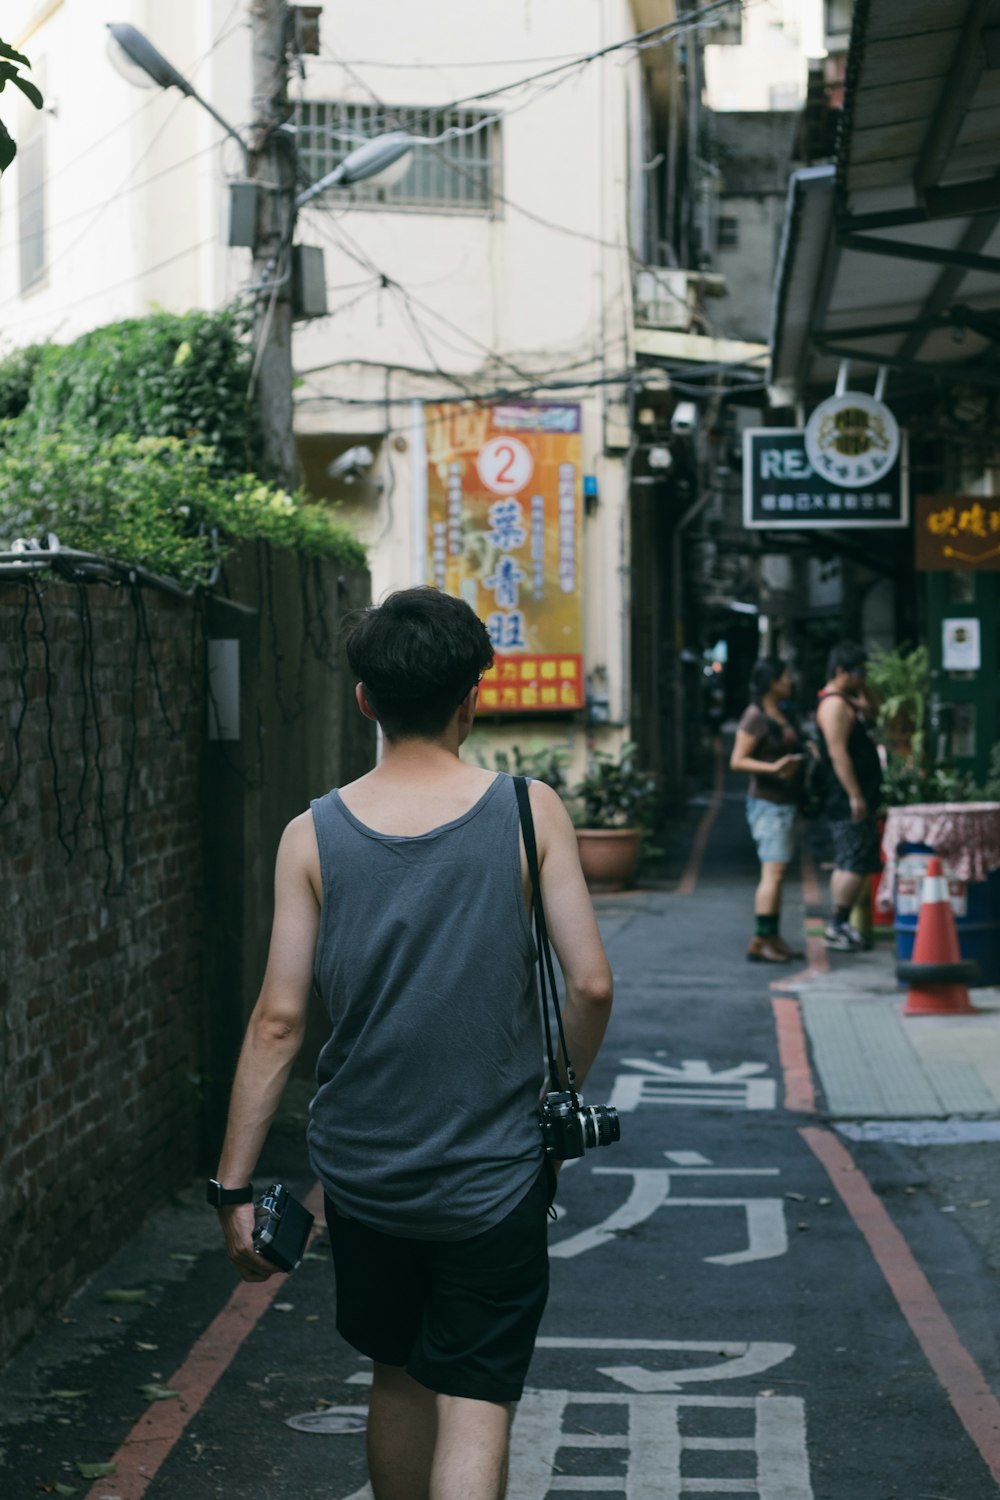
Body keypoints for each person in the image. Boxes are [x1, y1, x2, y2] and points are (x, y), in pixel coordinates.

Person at [209, 586, 614, 1500]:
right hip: (495, 1167)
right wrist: (559, 1091)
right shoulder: (527, 810)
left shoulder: (310, 834)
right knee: (475, 1396)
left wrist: (232, 1187)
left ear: (365, 701)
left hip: (364, 1172)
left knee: (395, 1372)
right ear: (477, 693)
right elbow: (590, 984)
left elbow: (279, 1020)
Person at [730, 657, 806, 964]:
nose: (789, 681)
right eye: (785, 677)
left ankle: (773, 937)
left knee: (778, 872)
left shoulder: (781, 712)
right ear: (772, 682)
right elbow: (737, 760)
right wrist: (774, 768)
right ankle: (761, 940)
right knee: (772, 873)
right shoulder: (755, 716)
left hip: (783, 802)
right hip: (768, 804)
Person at [816, 639, 883, 951]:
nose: (862, 677)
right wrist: (855, 795)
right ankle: (838, 923)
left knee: (852, 859)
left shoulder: (846, 700)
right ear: (841, 670)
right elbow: (838, 753)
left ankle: (840, 923)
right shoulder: (834, 706)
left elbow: (875, 712)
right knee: (852, 861)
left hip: (858, 793)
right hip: (846, 797)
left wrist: (862, 686)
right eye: (857, 672)